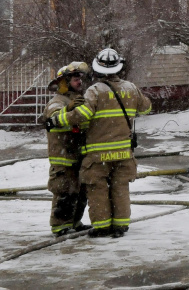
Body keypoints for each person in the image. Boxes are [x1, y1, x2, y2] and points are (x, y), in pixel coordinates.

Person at [54, 48, 151, 238]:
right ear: (119, 67)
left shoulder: (95, 91)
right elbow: (146, 108)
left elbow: (82, 116)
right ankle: (121, 225)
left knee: (97, 188)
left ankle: (102, 227)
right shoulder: (131, 88)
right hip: (124, 153)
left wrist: (59, 120)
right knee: (120, 187)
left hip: (98, 156)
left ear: (98, 69)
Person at [43, 62, 91, 236]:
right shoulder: (58, 101)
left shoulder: (79, 99)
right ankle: (60, 226)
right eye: (76, 79)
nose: (80, 82)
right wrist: (68, 109)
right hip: (62, 156)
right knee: (65, 191)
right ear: (65, 82)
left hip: (79, 154)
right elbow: (53, 119)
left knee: (80, 192)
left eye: (80, 79)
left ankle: (75, 222)